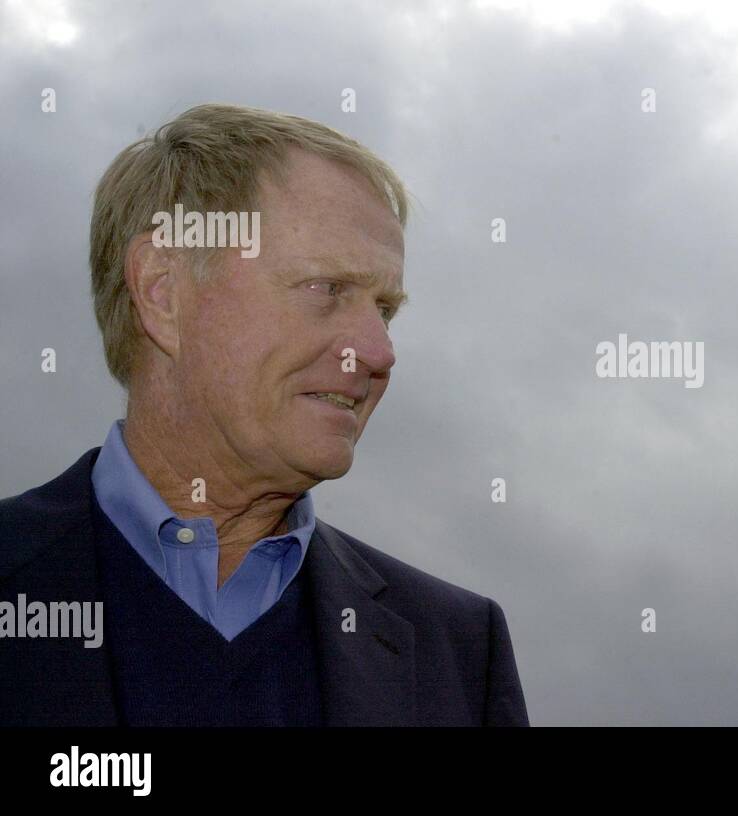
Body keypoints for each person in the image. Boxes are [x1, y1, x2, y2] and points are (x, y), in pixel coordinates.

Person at [0, 104, 528, 726]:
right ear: (163, 293)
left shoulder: (459, 650)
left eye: (383, 308)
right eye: (327, 289)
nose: (380, 351)